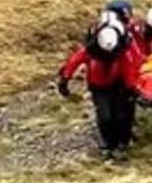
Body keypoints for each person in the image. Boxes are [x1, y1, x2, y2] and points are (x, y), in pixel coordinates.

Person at [58, 18, 143, 161]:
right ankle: (108, 143)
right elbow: (75, 60)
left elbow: (128, 67)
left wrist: (130, 88)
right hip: (98, 86)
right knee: (105, 116)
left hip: (118, 85)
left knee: (120, 115)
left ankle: (121, 143)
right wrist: (65, 79)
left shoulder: (122, 49)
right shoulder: (91, 49)